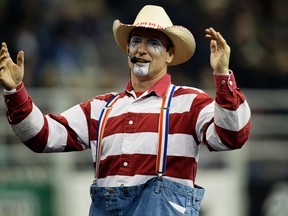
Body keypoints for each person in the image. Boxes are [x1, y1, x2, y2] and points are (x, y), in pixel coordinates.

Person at [0, 5, 251, 216]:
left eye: (152, 42)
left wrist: (221, 75)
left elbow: (232, 136)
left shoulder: (190, 102)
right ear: (128, 50)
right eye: (135, 41)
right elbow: (41, 136)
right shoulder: (100, 108)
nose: (140, 49)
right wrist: (15, 92)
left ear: (170, 54)